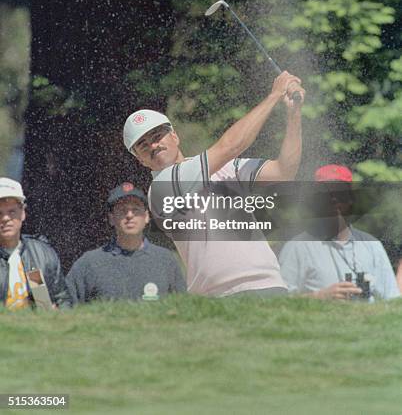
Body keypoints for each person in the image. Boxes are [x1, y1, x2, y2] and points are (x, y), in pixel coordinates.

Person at [123, 70, 305, 297]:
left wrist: (293, 114)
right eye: (143, 144)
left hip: (269, 285)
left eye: (157, 135)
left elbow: (283, 171)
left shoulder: (225, 168)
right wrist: (274, 95)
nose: (153, 145)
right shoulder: (162, 187)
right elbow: (230, 147)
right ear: (139, 158)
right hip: (219, 297)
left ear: (174, 136)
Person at [278, 164, 400, 301]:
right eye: (327, 194)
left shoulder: (372, 245)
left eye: (340, 193)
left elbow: (392, 300)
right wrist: (319, 297)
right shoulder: (297, 247)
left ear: (351, 199)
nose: (334, 199)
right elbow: (279, 303)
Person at [66, 182, 186, 303]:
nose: (129, 215)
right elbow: (65, 308)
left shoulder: (165, 260)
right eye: (122, 210)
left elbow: (183, 308)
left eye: (136, 209)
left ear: (146, 217)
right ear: (111, 218)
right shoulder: (90, 263)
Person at [0, 177, 71, 310]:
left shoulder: (42, 254)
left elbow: (62, 299)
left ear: (23, 214)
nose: (5, 218)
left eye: (12, 212)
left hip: (37, 329)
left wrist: (57, 315)